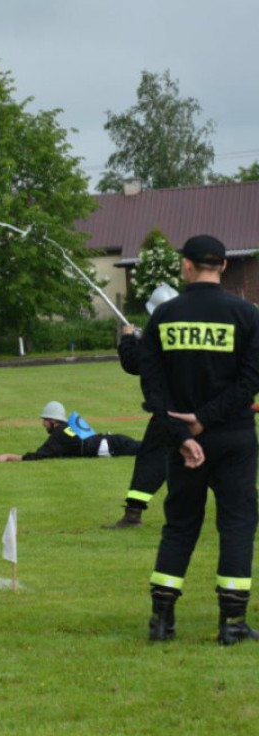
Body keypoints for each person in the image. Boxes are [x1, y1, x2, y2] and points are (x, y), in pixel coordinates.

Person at [137, 234, 259, 645]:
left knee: (180, 524)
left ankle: (162, 621)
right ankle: (233, 624)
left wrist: (182, 433)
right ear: (223, 266)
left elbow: (152, 387)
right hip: (235, 438)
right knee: (238, 524)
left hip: (180, 441)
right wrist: (206, 420)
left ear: (186, 266)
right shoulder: (246, 315)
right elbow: (250, 383)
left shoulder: (164, 317)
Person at [105, 283, 179, 529]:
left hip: (167, 412)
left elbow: (133, 364)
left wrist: (127, 338)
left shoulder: (154, 335)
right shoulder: (187, 331)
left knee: (151, 460)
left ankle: (133, 514)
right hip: (201, 409)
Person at [0, 401, 141, 462]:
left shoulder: (59, 434)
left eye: (45, 420)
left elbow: (37, 456)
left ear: (53, 421)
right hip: (114, 440)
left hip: (113, 447)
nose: (43, 424)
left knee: (154, 449)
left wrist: (8, 456)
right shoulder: (68, 426)